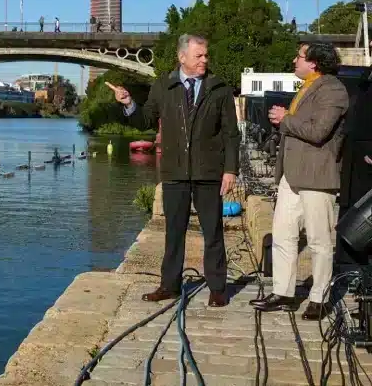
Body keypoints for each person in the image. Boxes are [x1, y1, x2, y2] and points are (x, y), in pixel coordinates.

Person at [105, 34, 239, 307]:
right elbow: (145, 120)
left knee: (212, 231)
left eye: (206, 55)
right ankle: (170, 285)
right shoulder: (163, 86)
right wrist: (128, 103)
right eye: (199, 55)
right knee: (173, 231)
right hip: (175, 172)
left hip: (208, 172)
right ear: (182, 57)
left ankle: (217, 288)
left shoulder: (219, 88)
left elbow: (231, 135)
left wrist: (230, 170)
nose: (205, 60)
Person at [251, 42, 348, 319]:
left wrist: (285, 119)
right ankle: (283, 292)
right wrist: (282, 122)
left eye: (300, 56)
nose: (295, 60)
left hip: (317, 176)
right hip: (292, 176)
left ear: (314, 62)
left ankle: (319, 297)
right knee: (283, 234)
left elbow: (319, 132)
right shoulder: (307, 87)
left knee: (318, 240)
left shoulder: (333, 90)